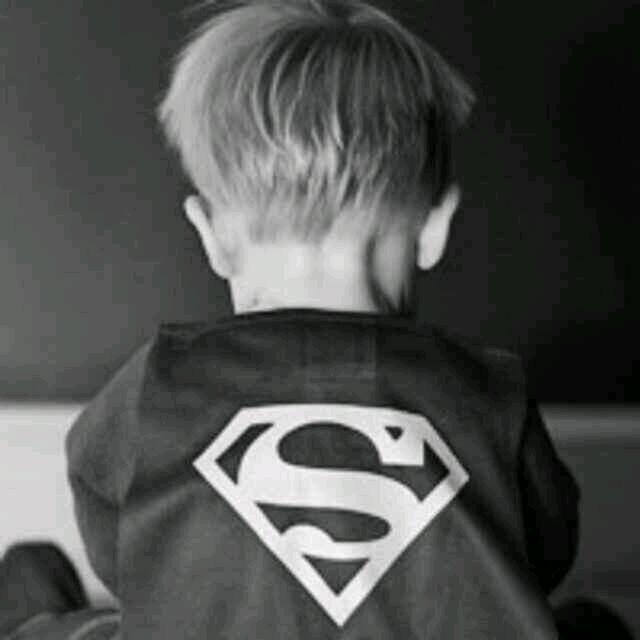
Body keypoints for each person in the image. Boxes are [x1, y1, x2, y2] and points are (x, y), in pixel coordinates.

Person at [1, 0, 632, 637]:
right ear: (434, 227)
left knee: (34, 580)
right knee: (593, 625)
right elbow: (545, 554)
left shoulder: (155, 387)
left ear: (211, 236)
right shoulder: (490, 396)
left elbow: (119, 552)